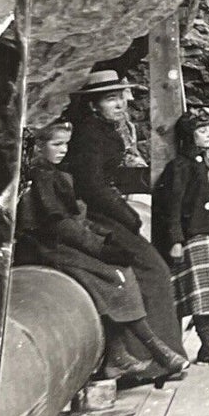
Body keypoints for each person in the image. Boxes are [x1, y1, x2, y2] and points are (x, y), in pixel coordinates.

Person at [15, 119, 185, 387]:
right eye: (56, 144)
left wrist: (103, 236)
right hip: (49, 246)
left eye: (66, 145)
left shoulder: (57, 174)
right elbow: (60, 224)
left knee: (120, 272)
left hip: (65, 241)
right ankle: (155, 349)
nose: (62, 150)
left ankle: (119, 355)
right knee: (109, 274)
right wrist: (99, 247)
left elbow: (77, 218)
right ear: (38, 146)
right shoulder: (41, 177)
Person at [64, 69, 189, 364]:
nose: (120, 104)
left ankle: (148, 355)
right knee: (153, 271)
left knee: (152, 269)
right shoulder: (89, 136)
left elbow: (110, 175)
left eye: (120, 97)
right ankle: (150, 361)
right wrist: (129, 217)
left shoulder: (103, 131)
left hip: (106, 210)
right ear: (94, 105)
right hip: (94, 216)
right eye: (110, 99)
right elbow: (92, 186)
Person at [153, 107, 209, 367]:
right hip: (194, 235)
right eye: (202, 131)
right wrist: (176, 240)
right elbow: (174, 206)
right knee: (200, 292)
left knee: (208, 293)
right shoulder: (181, 166)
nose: (208, 135)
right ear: (190, 135)